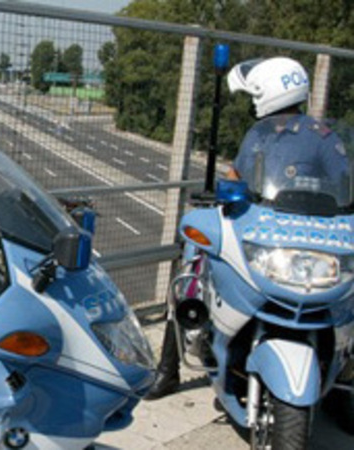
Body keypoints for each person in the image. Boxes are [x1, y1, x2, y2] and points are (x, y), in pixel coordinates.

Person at [146, 56, 349, 400]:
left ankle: (345, 385)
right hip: (261, 229)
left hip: (311, 236)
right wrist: (223, 193)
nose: (254, 99)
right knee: (190, 265)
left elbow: (345, 181)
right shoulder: (259, 135)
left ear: (270, 91)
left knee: (347, 302)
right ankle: (169, 369)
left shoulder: (321, 139)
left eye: (256, 92)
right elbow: (236, 176)